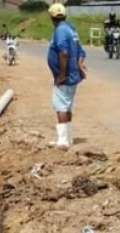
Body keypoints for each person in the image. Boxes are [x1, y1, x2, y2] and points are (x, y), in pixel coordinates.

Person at [47, 3, 86, 148]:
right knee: (67, 107)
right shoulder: (71, 29)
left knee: (61, 107)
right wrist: (79, 65)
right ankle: (68, 138)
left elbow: (63, 53)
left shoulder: (60, 31)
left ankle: (63, 140)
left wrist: (62, 75)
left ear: (51, 18)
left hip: (66, 77)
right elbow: (81, 52)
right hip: (73, 75)